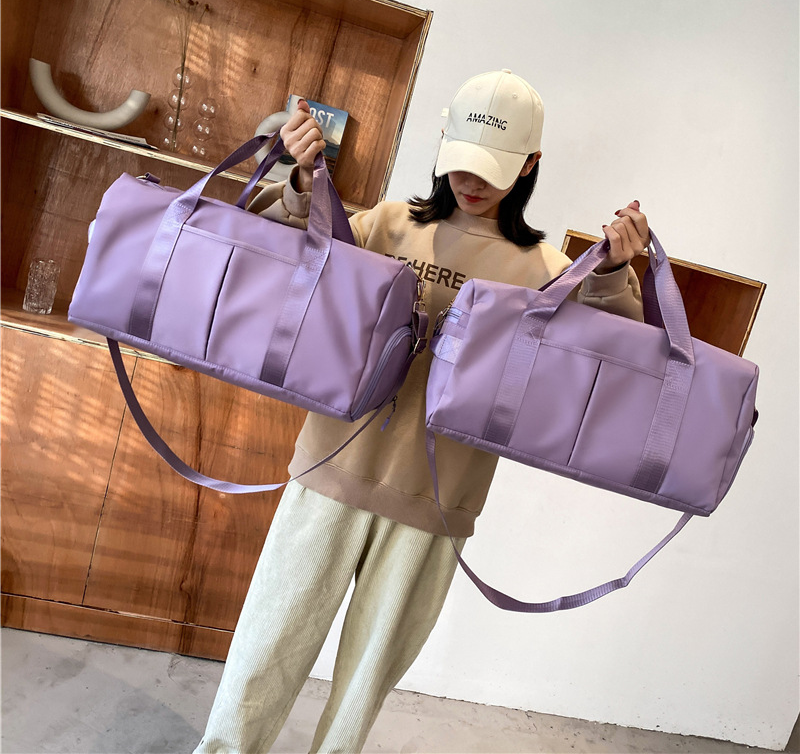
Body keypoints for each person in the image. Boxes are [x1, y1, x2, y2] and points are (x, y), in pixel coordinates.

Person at [194, 69, 649, 754]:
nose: (472, 181)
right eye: (462, 160)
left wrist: (612, 271)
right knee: (265, 650)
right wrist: (302, 178)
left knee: (363, 686)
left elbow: (618, 358)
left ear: (530, 165)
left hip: (436, 504)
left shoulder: (548, 271)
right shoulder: (386, 223)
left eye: (494, 168)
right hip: (329, 475)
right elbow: (286, 258)